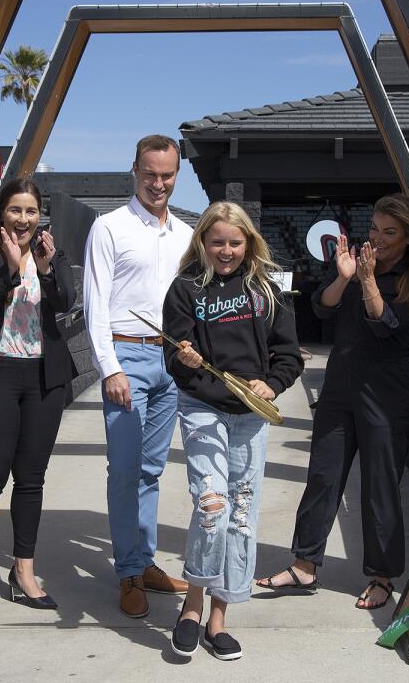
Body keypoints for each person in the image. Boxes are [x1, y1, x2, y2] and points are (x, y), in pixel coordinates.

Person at [256, 193, 409, 610]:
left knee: (379, 486)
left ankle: (381, 576)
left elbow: (389, 329)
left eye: (390, 232)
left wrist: (370, 281)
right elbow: (321, 309)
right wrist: (344, 276)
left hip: (387, 395)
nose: (379, 238)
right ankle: (304, 565)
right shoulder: (355, 267)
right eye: (375, 228)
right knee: (323, 475)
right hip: (340, 389)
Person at [162, 201, 303, 660]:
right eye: (217, 241)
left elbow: (290, 356)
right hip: (202, 408)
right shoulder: (185, 288)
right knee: (212, 506)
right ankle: (191, 605)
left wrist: (272, 384)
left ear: (249, 243)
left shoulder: (266, 290)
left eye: (235, 242)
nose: (226, 251)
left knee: (241, 515)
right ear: (202, 241)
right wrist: (185, 359)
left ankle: (219, 619)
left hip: (250, 415)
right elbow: (175, 357)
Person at [0, 177, 76, 620]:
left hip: (43, 379)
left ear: (39, 216)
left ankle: (24, 573)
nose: (23, 219)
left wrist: (44, 266)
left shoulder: (50, 256)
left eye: (30, 211)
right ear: (1, 213)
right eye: (15, 210)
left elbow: (65, 300)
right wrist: (8, 266)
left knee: (31, 478)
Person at [83, 134, 194, 617]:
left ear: (177, 174)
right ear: (135, 170)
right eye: (150, 174)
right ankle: (128, 572)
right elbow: (94, 304)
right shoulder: (109, 228)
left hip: (171, 361)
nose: (158, 183)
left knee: (151, 471)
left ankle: (144, 561)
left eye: (167, 175)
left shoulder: (188, 235)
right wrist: (110, 368)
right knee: (125, 472)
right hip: (127, 358)